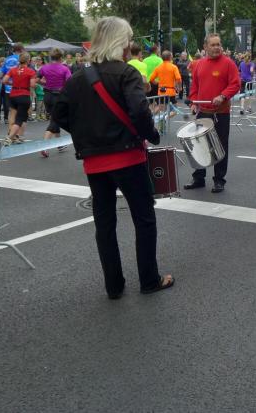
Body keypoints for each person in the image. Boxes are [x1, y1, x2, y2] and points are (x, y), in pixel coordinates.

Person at [52, 16, 172, 299]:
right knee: (144, 218)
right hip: (128, 156)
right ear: (120, 41)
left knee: (104, 224)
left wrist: (86, 136)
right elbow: (139, 111)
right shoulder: (126, 73)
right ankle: (149, 279)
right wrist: (151, 135)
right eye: (128, 38)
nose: (130, 44)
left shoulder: (79, 76)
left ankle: (114, 286)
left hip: (95, 162)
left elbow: (59, 114)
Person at [185, 33, 240, 193]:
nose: (217, 47)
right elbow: (194, 87)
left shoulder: (228, 63)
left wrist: (222, 96)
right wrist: (193, 102)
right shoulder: (199, 64)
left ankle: (219, 180)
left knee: (220, 146)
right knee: (199, 146)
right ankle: (198, 178)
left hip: (220, 113)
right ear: (205, 47)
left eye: (218, 44)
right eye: (213, 45)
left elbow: (235, 84)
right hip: (203, 111)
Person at [38, 48, 72, 158]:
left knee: (54, 118)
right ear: (61, 57)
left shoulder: (44, 67)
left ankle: (59, 144)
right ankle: (44, 146)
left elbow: (36, 79)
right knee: (56, 120)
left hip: (47, 96)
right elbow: (70, 83)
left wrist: (45, 83)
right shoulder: (64, 68)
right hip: (58, 96)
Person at [0, 53, 37, 145]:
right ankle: (11, 137)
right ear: (28, 61)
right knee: (21, 118)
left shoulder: (13, 70)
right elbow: (32, 85)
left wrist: (12, 84)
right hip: (24, 95)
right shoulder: (30, 71)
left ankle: (12, 134)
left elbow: (4, 80)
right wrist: (37, 85)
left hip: (13, 94)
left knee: (13, 115)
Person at [149, 50, 182, 115]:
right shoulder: (173, 67)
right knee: (174, 110)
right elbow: (178, 78)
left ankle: (151, 116)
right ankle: (166, 118)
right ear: (170, 57)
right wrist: (179, 87)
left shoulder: (158, 67)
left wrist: (156, 82)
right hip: (170, 92)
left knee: (161, 110)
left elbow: (151, 78)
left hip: (161, 91)